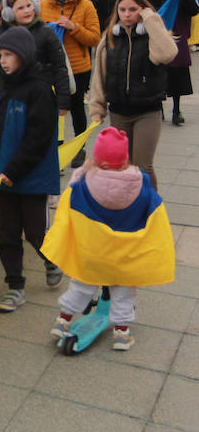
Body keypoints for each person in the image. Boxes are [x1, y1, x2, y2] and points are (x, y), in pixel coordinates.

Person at [42, 126, 175, 353]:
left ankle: (62, 320)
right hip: (124, 257)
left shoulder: (83, 184)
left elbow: (68, 201)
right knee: (124, 292)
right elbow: (155, 214)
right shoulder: (140, 184)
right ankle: (122, 334)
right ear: (125, 159)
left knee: (80, 286)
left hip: (92, 253)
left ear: (97, 158)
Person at [0, 27, 61, 311]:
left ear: (25, 55)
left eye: (9, 55)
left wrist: (13, 170)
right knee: (7, 234)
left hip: (31, 176)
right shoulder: (2, 85)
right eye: (1, 55)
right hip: (2, 178)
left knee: (35, 232)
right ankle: (15, 286)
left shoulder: (40, 89)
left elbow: (39, 138)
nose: (4, 60)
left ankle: (53, 259)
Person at [89, 0, 176, 188]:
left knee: (143, 167)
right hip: (119, 111)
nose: (127, 14)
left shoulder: (151, 35)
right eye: (122, 10)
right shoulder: (110, 37)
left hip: (147, 111)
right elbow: (99, 76)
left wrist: (150, 19)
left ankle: (151, 209)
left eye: (133, 9)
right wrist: (97, 108)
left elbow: (167, 54)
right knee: (122, 166)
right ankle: (129, 207)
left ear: (142, 9)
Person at [38, 0, 100, 162]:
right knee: (50, 109)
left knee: (75, 108)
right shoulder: (43, 5)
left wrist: (74, 27)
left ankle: (79, 148)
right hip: (50, 68)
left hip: (78, 67)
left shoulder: (86, 5)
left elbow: (94, 38)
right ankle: (54, 150)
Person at [0, 0, 71, 112]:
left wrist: (63, 101)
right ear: (9, 13)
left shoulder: (46, 33)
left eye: (29, 5)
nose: (27, 10)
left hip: (40, 100)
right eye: (20, 8)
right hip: (7, 98)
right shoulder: (0, 33)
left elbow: (59, 68)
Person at [143, 0, 199, 125]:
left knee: (177, 75)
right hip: (156, 38)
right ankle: (158, 109)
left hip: (176, 37)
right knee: (156, 74)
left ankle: (176, 110)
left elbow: (194, 10)